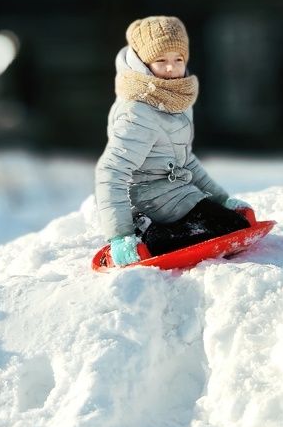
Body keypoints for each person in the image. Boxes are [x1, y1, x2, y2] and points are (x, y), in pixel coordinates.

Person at [94, 16, 252, 266]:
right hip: (149, 200)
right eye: (161, 61)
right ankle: (146, 234)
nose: (171, 68)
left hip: (176, 194)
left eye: (178, 59)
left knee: (235, 223)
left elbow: (185, 160)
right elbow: (111, 172)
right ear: (142, 64)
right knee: (229, 227)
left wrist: (222, 199)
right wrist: (120, 235)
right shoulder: (138, 112)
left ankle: (161, 230)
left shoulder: (174, 100)